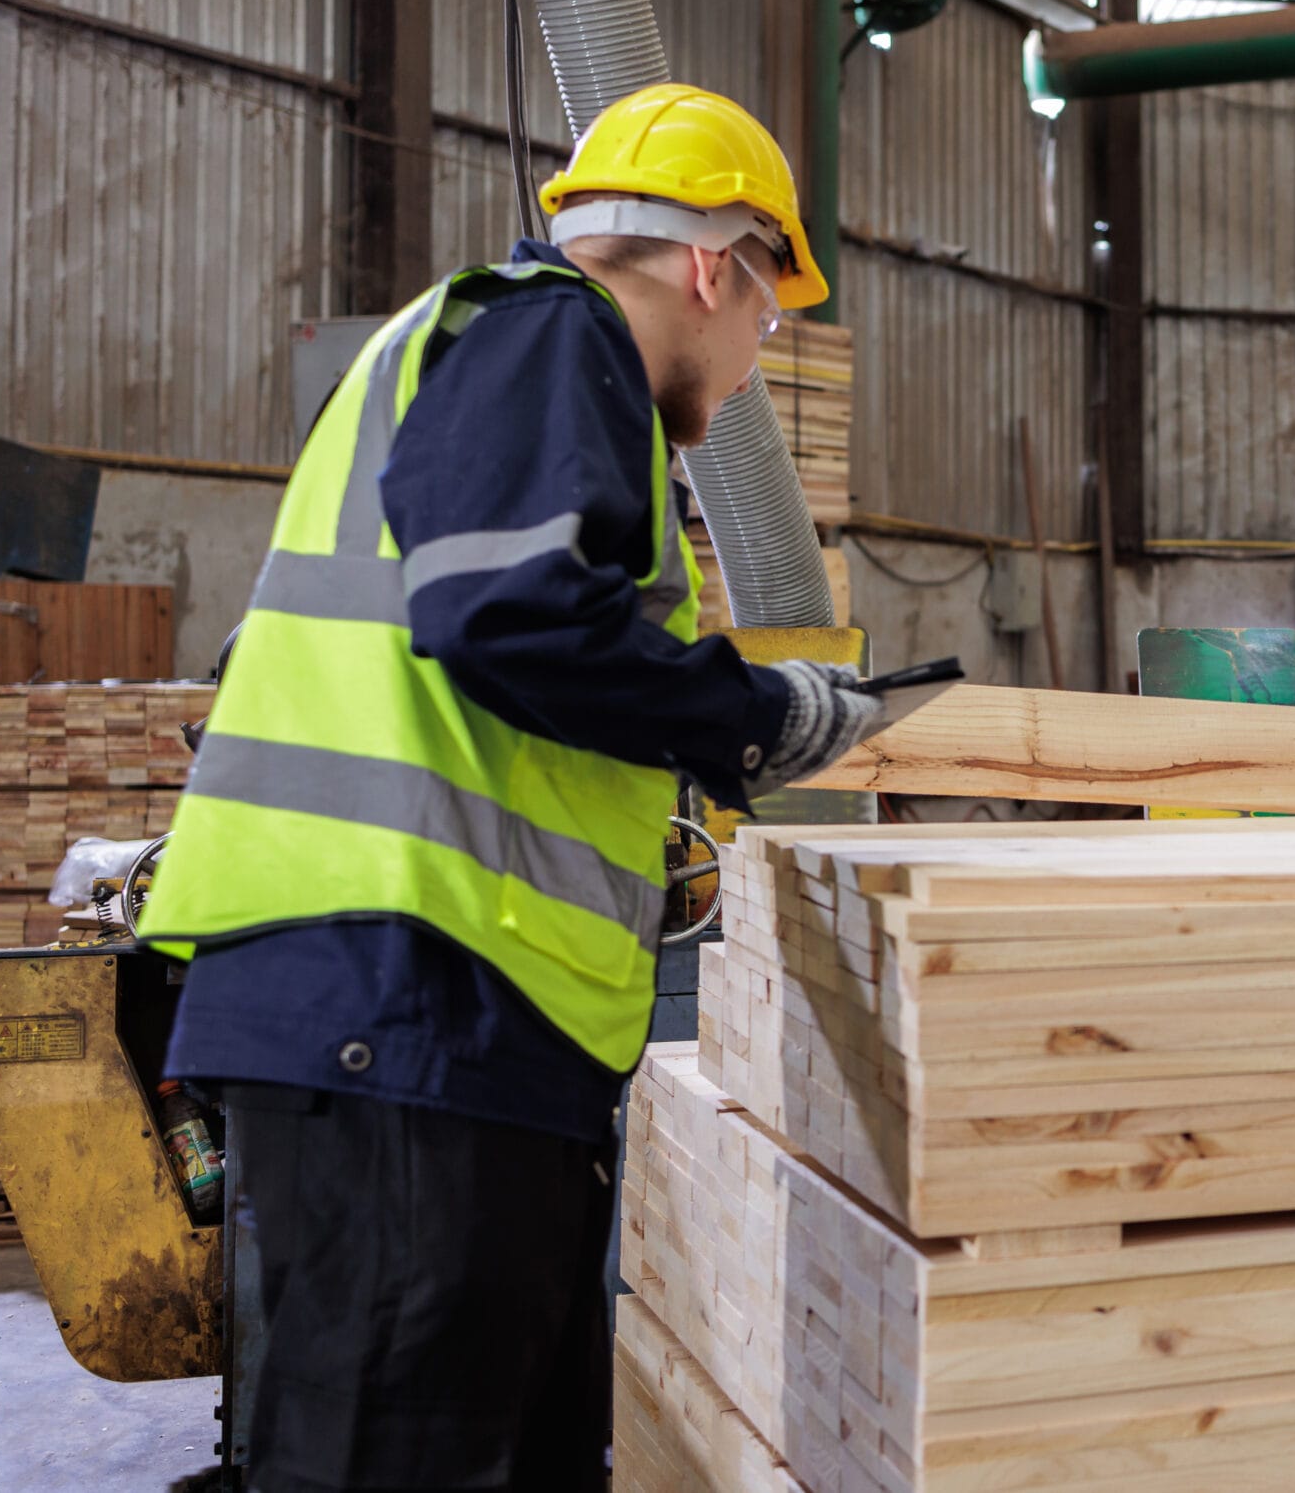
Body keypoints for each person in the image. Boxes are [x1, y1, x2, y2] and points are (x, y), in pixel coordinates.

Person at [136, 83, 882, 1492]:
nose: (751, 363)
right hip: (406, 1002)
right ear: (711, 266)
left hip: (437, 1014)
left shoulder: (495, 358)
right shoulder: (554, 336)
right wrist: (756, 711)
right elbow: (510, 617)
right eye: (767, 321)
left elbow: (493, 661)